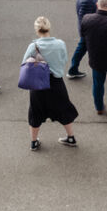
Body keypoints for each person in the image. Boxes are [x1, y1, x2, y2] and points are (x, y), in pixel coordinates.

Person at [22, 16, 78, 150]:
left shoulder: (33, 46)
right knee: (63, 109)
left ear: (37, 30)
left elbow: (24, 63)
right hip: (56, 83)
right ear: (49, 27)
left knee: (35, 112)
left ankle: (34, 142)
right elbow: (64, 60)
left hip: (38, 83)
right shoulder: (60, 44)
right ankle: (71, 137)